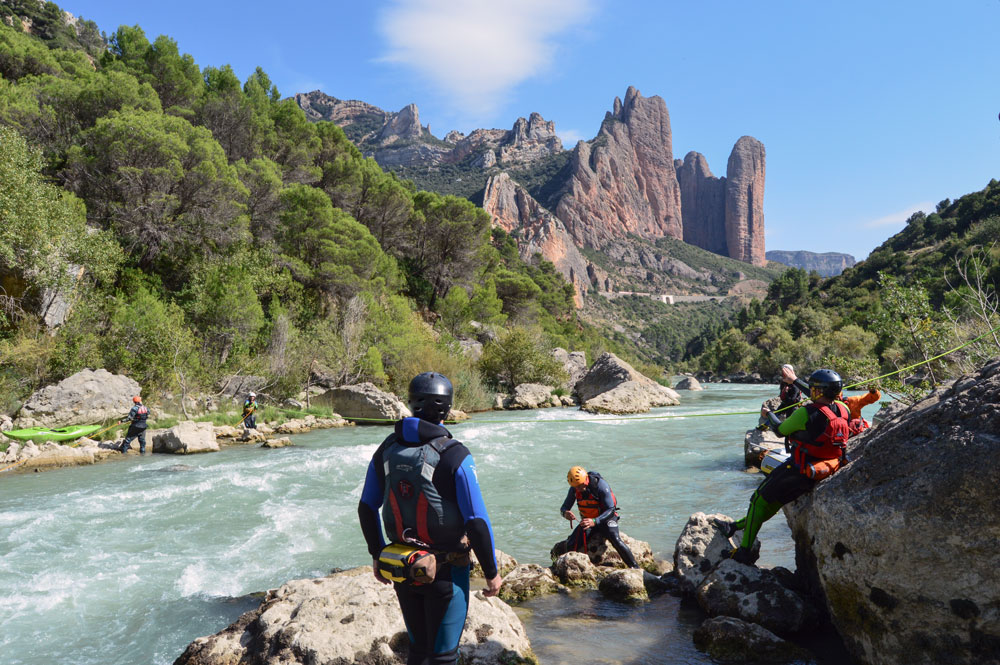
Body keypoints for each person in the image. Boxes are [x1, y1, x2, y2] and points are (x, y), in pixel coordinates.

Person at [358, 372, 501, 665]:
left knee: (418, 650)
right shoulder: (456, 454)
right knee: (443, 656)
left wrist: (377, 553)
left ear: (411, 403)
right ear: (447, 408)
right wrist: (492, 572)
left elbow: (366, 506)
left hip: (401, 565)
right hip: (446, 571)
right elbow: (476, 520)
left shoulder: (386, 448)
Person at [720, 369, 851, 565]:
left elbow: (780, 431)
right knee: (774, 501)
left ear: (819, 391)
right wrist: (795, 380)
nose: (812, 391)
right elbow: (820, 402)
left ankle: (744, 552)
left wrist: (768, 414)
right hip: (821, 469)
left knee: (758, 500)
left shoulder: (805, 413)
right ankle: (736, 526)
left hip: (799, 469)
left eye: (815, 389)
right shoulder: (842, 409)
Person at [561, 466, 639, 569]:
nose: (579, 489)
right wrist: (566, 513)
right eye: (576, 487)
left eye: (580, 485)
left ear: (586, 479)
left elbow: (611, 509)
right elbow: (564, 507)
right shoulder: (574, 489)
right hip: (589, 521)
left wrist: (595, 521)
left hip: (606, 519)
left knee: (615, 539)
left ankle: (635, 567)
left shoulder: (601, 486)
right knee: (571, 543)